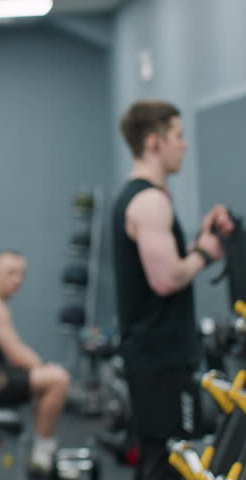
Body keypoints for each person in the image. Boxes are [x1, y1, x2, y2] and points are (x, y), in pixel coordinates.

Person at [113, 99, 234, 480]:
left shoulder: (142, 198)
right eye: (178, 136)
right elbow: (166, 279)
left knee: (160, 458)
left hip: (155, 356)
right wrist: (205, 252)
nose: (185, 145)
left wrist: (198, 244)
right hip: (160, 359)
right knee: (169, 461)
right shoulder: (149, 201)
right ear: (154, 142)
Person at [0, 250, 71, 475]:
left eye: (22, 274)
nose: (18, 280)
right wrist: (42, 368)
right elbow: (18, 355)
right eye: (11, 273)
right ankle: (43, 452)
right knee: (58, 379)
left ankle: (41, 445)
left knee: (44, 378)